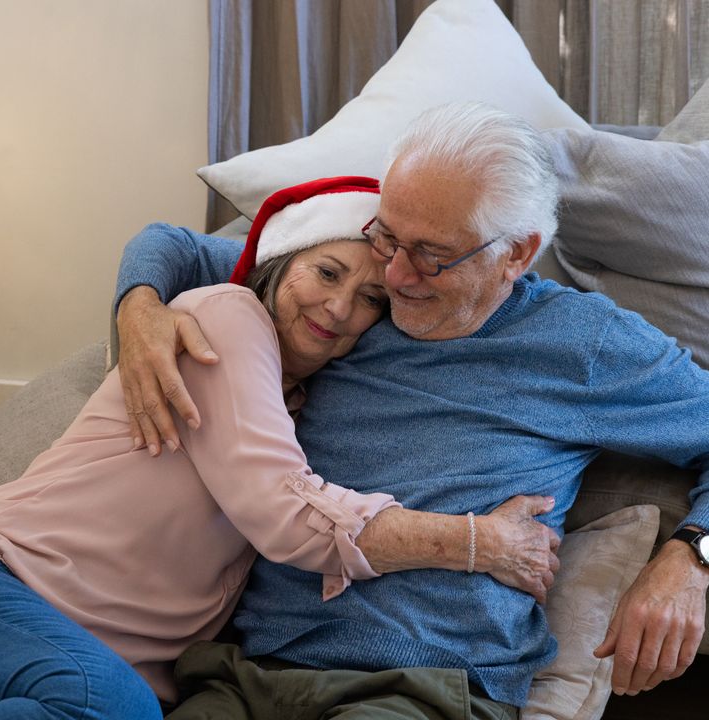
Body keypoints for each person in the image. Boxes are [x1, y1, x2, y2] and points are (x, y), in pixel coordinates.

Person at [0, 176, 561, 720]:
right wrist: (480, 543)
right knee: (109, 705)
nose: (339, 309)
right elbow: (285, 513)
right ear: (280, 263)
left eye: (371, 300)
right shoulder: (226, 319)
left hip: (51, 673)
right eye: (325, 274)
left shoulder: (294, 398)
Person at [114, 102, 709, 719]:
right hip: (249, 671)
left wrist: (690, 558)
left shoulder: (586, 345)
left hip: (426, 686)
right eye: (388, 235)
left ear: (517, 254)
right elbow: (168, 243)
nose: (394, 275)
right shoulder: (345, 296)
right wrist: (139, 312)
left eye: (430, 254)